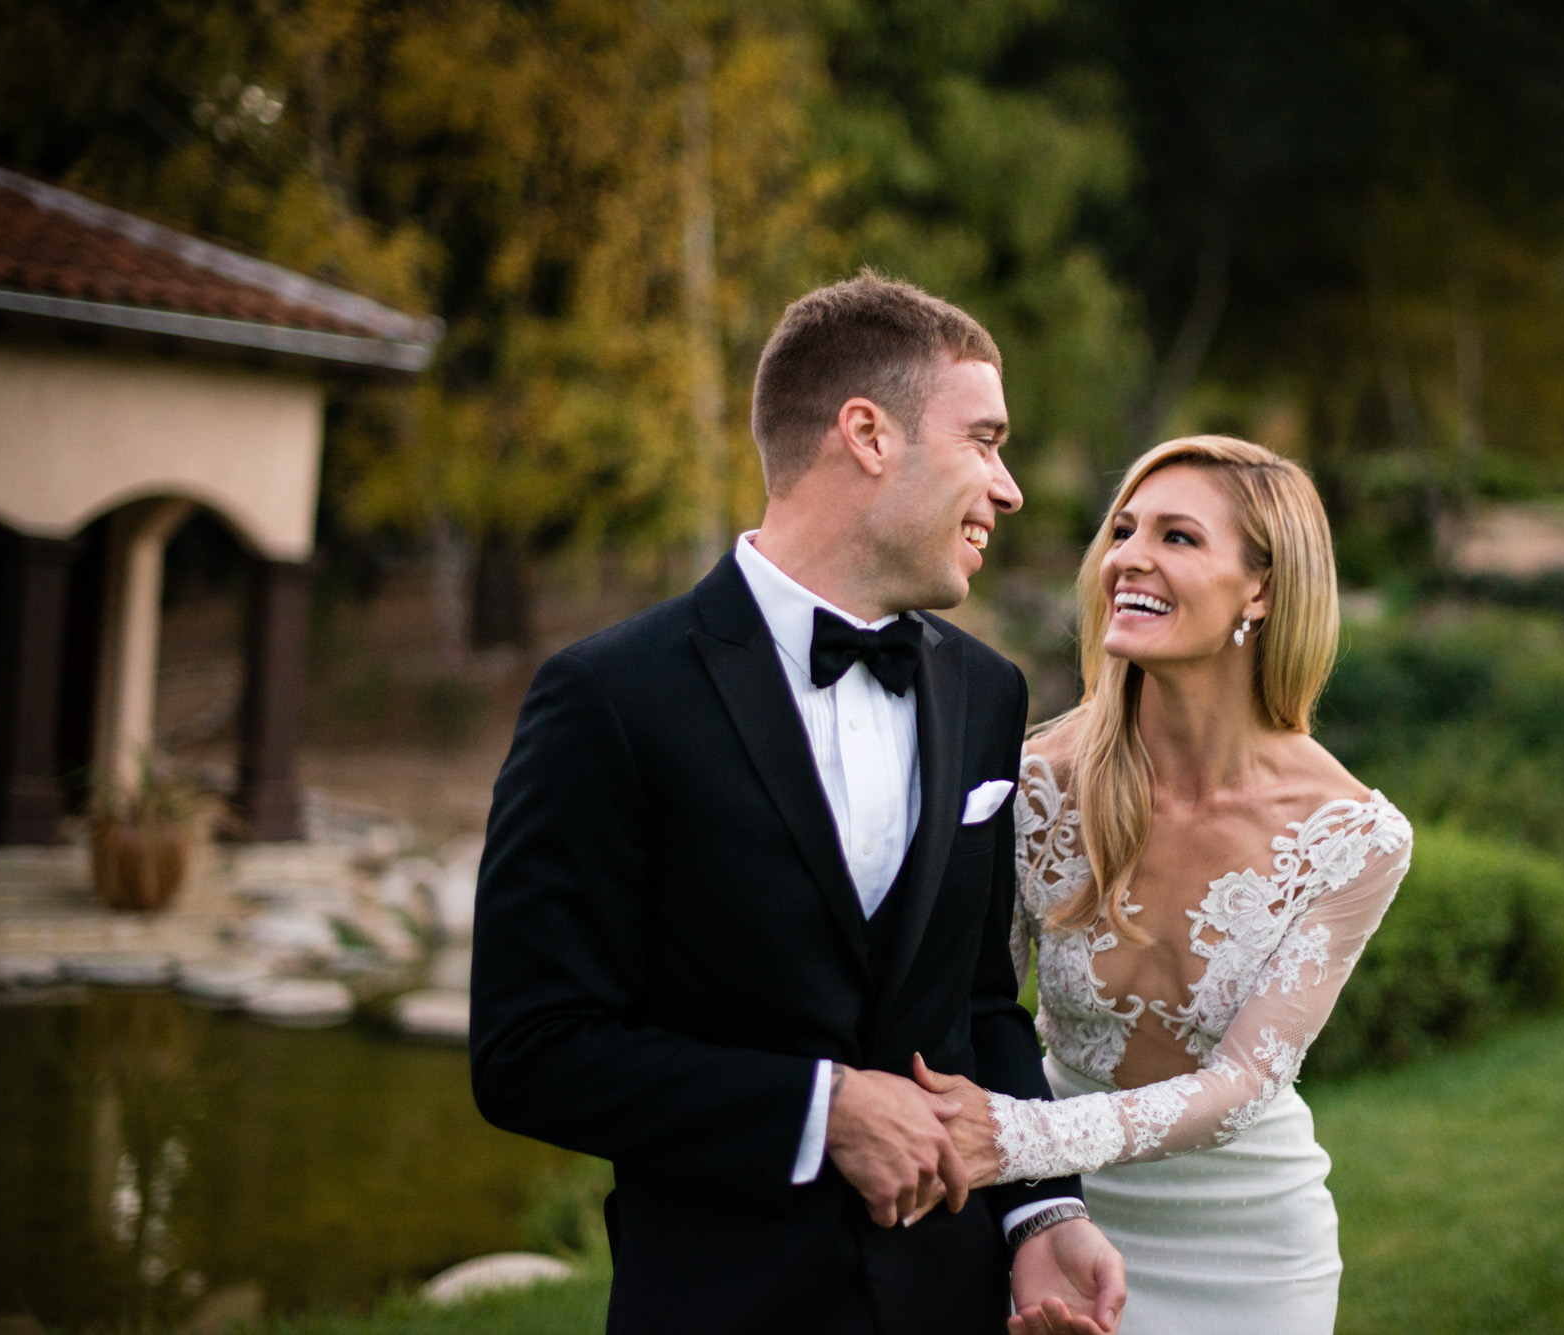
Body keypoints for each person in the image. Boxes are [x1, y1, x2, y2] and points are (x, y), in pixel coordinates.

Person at [469, 272, 1126, 1335]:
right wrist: (817, 1112)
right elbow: (529, 1051)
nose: (1007, 489)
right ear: (865, 434)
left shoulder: (985, 690)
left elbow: (979, 1003)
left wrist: (1039, 1212)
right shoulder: (610, 699)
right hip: (721, 1299)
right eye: (985, 440)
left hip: (947, 1301)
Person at [916, 436, 1414, 1335]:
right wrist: (1031, 1195)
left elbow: (1243, 1084)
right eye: (1123, 529)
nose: (1129, 557)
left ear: (1260, 590)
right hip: (1050, 1213)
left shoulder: (1354, 836)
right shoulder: (1037, 780)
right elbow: (977, 1003)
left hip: (1250, 1241)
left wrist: (1014, 1138)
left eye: (1178, 536)